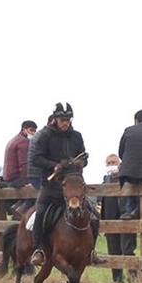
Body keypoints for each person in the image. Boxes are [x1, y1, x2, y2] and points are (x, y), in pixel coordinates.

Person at [29, 102, 107, 266]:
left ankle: (91, 252)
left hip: (74, 187)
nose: (65, 122)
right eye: (62, 119)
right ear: (55, 119)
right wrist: (53, 165)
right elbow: (36, 158)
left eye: (68, 119)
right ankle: (39, 250)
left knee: (93, 215)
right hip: (52, 186)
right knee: (41, 212)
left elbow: (84, 156)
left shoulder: (76, 136)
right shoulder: (45, 136)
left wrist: (80, 163)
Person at [100, 154, 136, 283]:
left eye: (113, 162)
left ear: (119, 164)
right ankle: (117, 281)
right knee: (113, 254)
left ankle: (133, 281)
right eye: (108, 163)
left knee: (128, 252)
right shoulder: (106, 180)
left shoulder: (126, 179)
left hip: (124, 220)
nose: (111, 165)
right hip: (109, 222)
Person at [0, 120, 38, 218]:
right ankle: (23, 208)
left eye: (35, 131)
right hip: (18, 178)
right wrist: (27, 181)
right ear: (24, 129)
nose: (33, 133)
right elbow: (24, 164)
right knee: (38, 189)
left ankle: (18, 207)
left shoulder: (13, 140)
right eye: (31, 130)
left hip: (9, 177)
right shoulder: (23, 142)